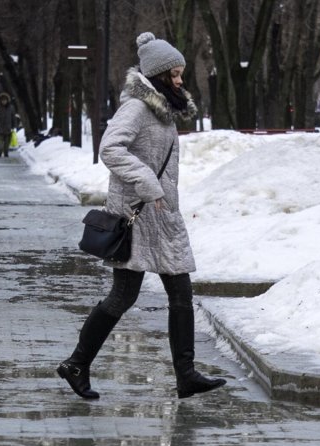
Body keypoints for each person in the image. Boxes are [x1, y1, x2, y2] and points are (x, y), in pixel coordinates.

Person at [57, 32, 226, 400]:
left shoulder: (161, 109)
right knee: (123, 296)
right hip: (137, 216)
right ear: (159, 74)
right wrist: (148, 182)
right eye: (176, 74)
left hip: (161, 218)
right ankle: (76, 364)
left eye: (181, 73)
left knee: (179, 293)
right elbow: (109, 148)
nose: (181, 81)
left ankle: (186, 375)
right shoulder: (136, 108)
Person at [0, 93, 17, 157]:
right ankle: (0, 152)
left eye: (5, 100)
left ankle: (6, 153)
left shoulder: (11, 107)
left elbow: (13, 117)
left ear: (7, 100)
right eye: (2, 100)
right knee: (0, 142)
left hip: (8, 127)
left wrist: (14, 125)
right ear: (0, 101)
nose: (4, 102)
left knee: (7, 142)